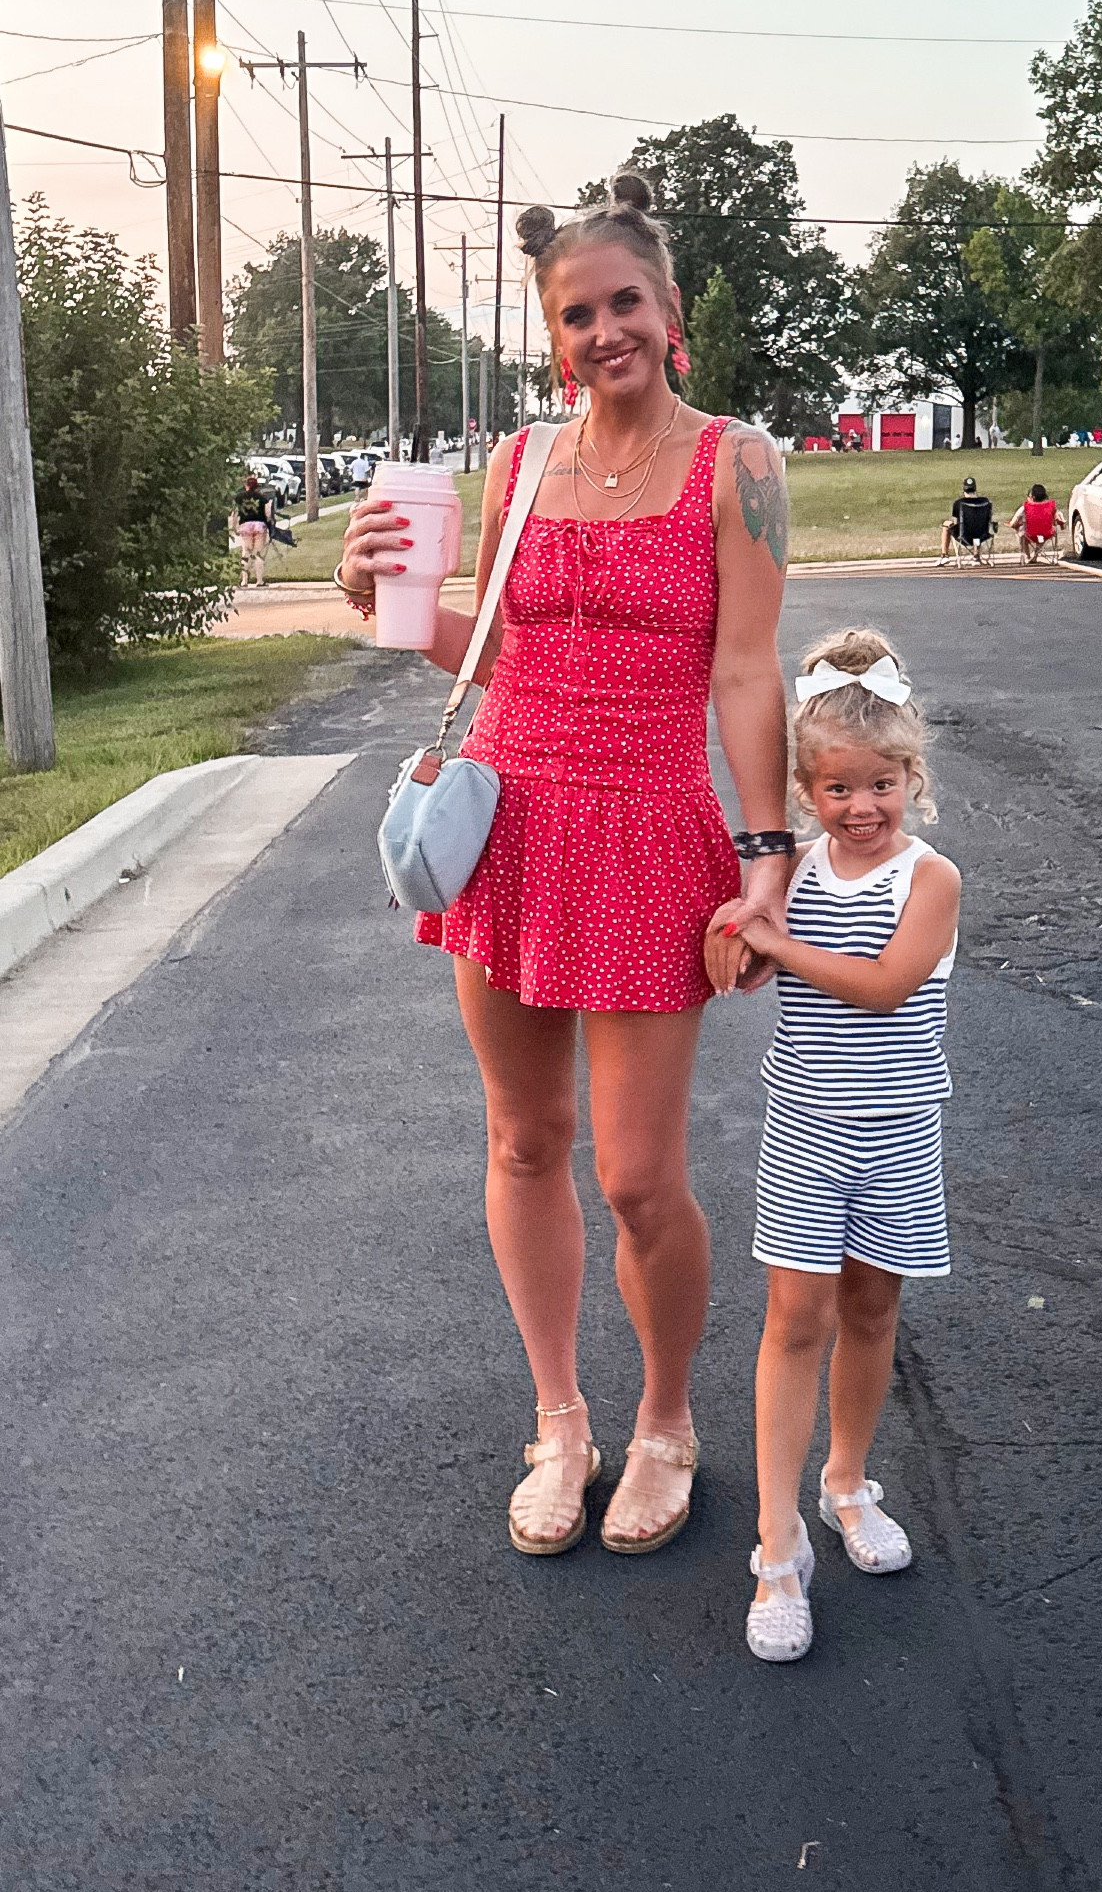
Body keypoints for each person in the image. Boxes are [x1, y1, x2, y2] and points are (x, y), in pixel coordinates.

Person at [336, 171, 791, 1558]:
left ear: (671, 314)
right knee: (523, 1138)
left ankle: (665, 1420)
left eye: (625, 304)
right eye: (576, 313)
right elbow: (488, 648)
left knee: (640, 1176)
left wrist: (765, 856)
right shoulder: (517, 465)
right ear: (552, 334)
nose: (605, 331)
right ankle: (560, 1418)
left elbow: (745, 667)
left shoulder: (738, 463)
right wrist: (378, 603)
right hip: (508, 821)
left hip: (650, 827)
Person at [708, 628, 960, 1662]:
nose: (862, 806)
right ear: (804, 792)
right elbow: (738, 967)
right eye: (837, 787)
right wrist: (738, 929)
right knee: (793, 1315)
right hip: (806, 1130)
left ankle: (847, 1481)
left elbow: (883, 985)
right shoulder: (798, 874)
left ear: (912, 776)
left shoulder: (927, 878)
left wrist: (777, 943)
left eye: (882, 783)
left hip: (897, 1133)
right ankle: (777, 1544)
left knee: (871, 1304)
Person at [230, 472, 275, 587]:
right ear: (256, 487)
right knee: (258, 554)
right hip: (260, 525)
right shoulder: (262, 498)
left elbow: (235, 513)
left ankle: (244, 581)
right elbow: (268, 514)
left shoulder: (240, 498)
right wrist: (270, 525)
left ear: (246, 486)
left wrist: (234, 527)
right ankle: (259, 581)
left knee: (246, 553)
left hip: (245, 526)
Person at [938, 476, 993, 561]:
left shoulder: (959, 503)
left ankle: (944, 555)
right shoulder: (985, 502)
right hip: (982, 535)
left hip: (964, 536)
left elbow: (956, 522)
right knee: (977, 526)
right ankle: (976, 555)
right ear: (975, 489)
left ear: (964, 490)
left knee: (946, 525)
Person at [1008, 482, 1058, 562]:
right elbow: (1058, 519)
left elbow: (1013, 522)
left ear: (1032, 497)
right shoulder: (1050, 507)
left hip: (1029, 534)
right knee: (1044, 531)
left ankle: (1027, 556)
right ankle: (1035, 554)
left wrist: (1015, 526)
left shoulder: (1025, 507)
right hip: (1045, 534)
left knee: (1021, 533)